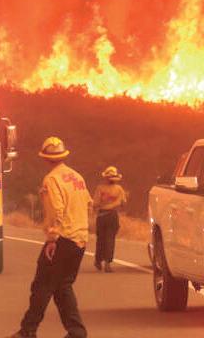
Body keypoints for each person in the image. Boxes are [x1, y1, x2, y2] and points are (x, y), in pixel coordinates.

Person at [7, 136, 90, 338]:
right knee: (62, 286)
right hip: (80, 239)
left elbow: (56, 210)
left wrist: (52, 238)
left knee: (42, 286)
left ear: (44, 158)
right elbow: (88, 204)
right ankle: (77, 332)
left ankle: (28, 331)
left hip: (62, 238)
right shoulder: (77, 177)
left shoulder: (51, 180)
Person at [92, 166, 126, 272]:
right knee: (110, 239)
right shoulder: (119, 189)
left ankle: (98, 260)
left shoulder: (100, 188)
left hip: (102, 215)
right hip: (112, 215)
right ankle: (107, 262)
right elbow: (123, 202)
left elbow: (95, 203)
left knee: (101, 239)